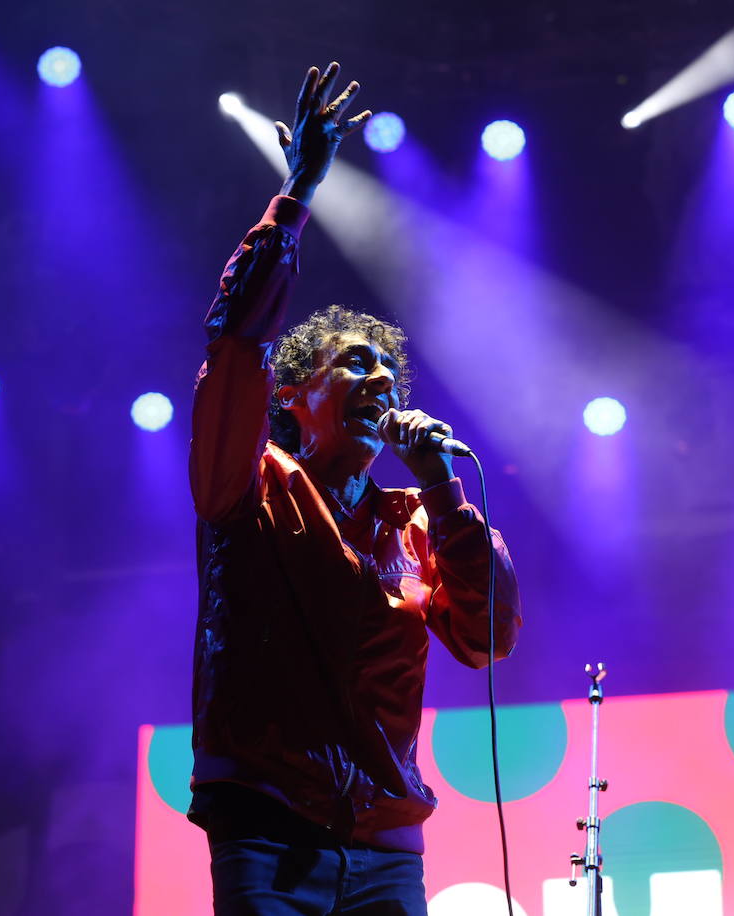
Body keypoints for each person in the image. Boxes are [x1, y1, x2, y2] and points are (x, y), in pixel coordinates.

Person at [188, 62, 523, 916]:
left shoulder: (419, 518)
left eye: (389, 373)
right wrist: (297, 192)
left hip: (384, 851)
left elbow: (488, 640)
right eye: (355, 366)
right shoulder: (250, 482)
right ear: (294, 396)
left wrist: (445, 488)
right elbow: (234, 346)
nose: (380, 382)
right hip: (266, 833)